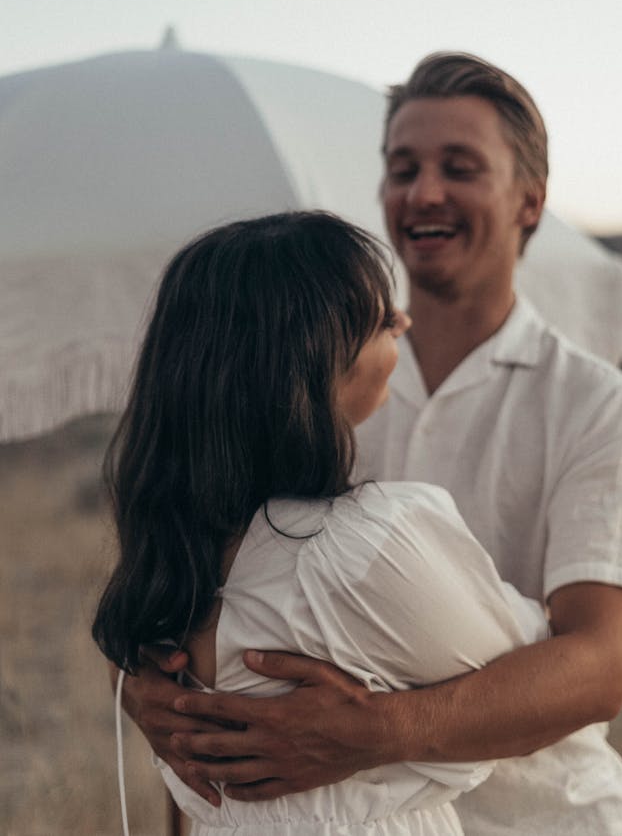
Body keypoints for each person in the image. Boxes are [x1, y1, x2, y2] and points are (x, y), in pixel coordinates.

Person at [120, 54, 622, 835]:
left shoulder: (596, 404)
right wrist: (150, 687)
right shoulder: (303, 379)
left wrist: (375, 731)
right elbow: (191, 560)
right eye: (403, 167)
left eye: (460, 167)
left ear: (530, 200)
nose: (424, 192)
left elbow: (601, 667)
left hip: (540, 818)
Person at [93, 210, 552, 836]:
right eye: (384, 319)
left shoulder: (174, 548)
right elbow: (529, 665)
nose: (406, 323)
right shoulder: (355, 545)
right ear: (323, 360)